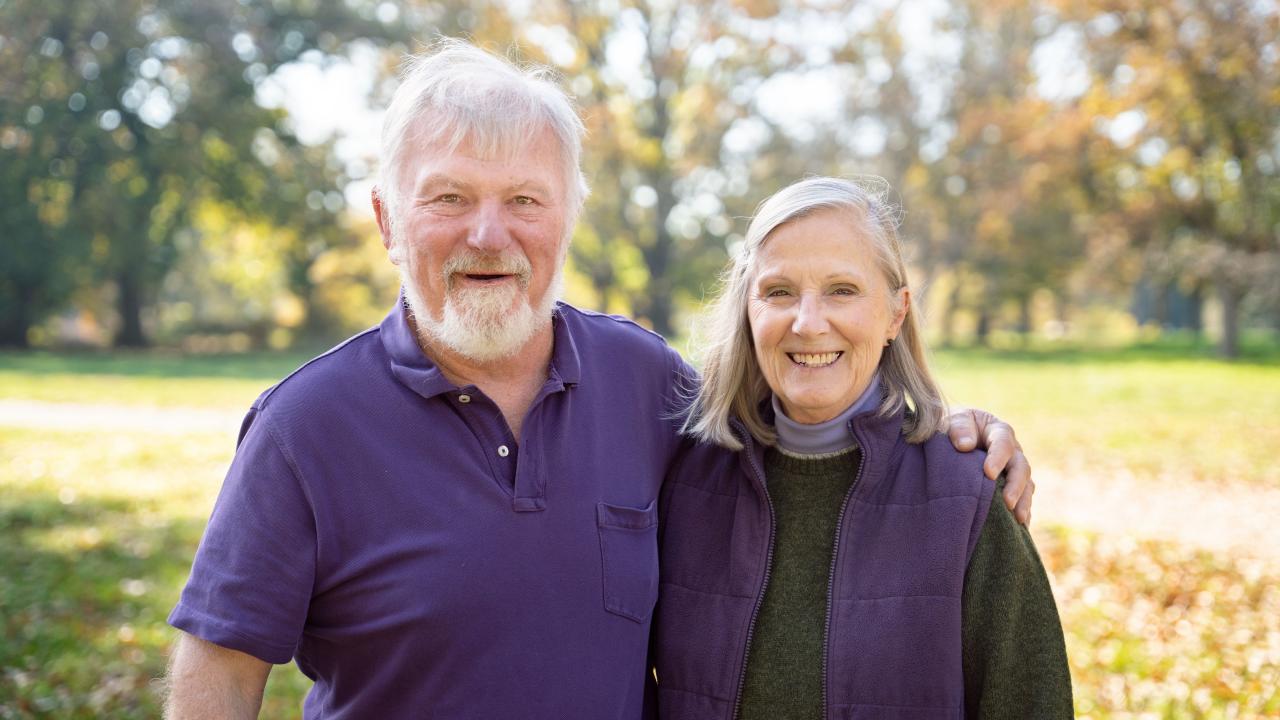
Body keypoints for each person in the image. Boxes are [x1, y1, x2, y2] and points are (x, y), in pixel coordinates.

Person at [163, 41, 1037, 719]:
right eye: (449, 198)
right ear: (388, 219)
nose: (490, 236)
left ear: (569, 215)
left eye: (526, 200)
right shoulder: (305, 427)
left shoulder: (648, 384)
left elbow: (806, 404)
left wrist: (955, 435)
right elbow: (219, 676)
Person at [653, 177, 1072, 718]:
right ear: (748, 310)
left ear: (895, 314)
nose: (807, 323)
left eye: (841, 291)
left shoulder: (966, 499)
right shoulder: (683, 480)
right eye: (778, 292)